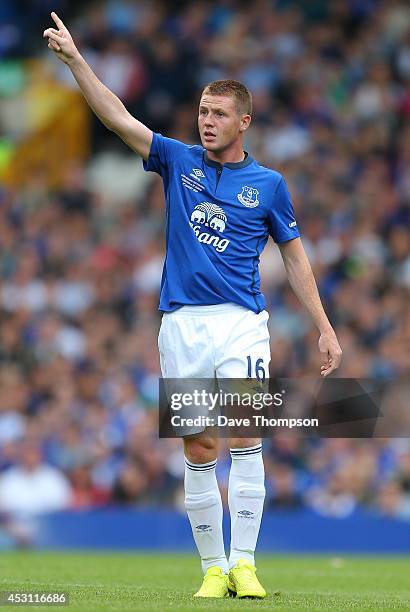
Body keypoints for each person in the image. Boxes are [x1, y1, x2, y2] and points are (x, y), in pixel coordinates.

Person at [44, 12, 342, 599]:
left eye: (219, 114)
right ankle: (212, 568)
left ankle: (246, 563)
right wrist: (78, 62)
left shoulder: (270, 185)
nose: (207, 122)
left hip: (241, 324)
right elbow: (118, 117)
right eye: (203, 112)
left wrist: (324, 327)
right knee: (200, 445)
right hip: (181, 324)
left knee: (248, 432)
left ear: (244, 122)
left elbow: (297, 259)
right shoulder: (177, 161)